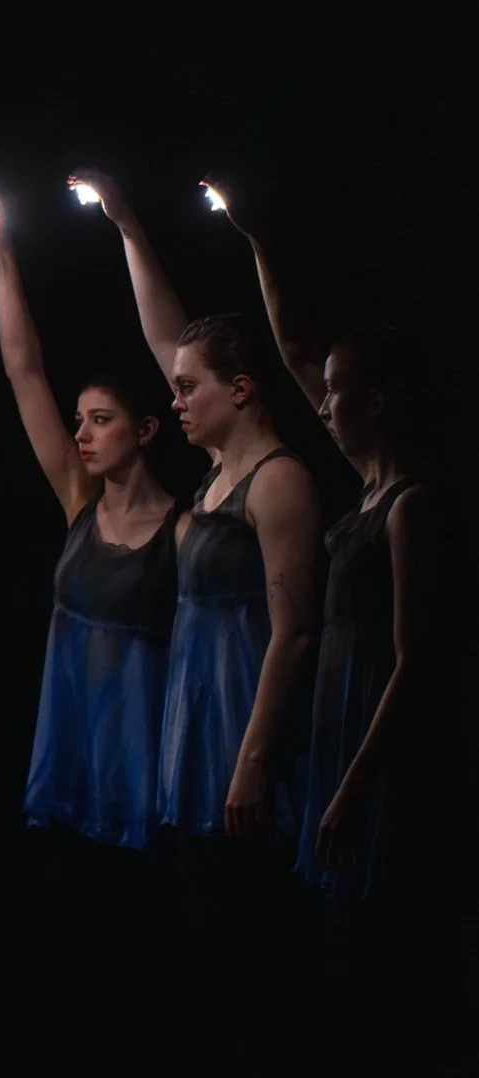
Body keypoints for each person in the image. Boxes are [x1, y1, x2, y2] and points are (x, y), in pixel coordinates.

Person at [72, 169, 323, 1077]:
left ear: (242, 389)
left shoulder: (278, 481)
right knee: (205, 963)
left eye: (188, 388)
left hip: (242, 740)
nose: (172, 399)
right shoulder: (215, 481)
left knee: (254, 966)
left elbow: (296, 632)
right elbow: (166, 339)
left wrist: (251, 760)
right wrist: (126, 227)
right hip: (194, 734)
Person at [214, 177, 465, 1076]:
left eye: (338, 391)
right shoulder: (368, 490)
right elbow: (296, 352)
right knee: (334, 955)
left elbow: (416, 660)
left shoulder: (412, 505)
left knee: (375, 960)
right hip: (336, 735)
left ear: (380, 401)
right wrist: (257, 242)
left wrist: (355, 785)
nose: (321, 403)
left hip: (373, 746)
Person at [0, 203, 181, 1074]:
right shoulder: (78, 501)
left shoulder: (187, 528)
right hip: (69, 761)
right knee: (75, 961)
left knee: (147, 967)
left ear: (148, 429)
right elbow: (23, 369)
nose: (83, 433)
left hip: (141, 772)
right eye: (82, 420)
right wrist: (3, 252)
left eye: (102, 420)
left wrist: (131, 230)